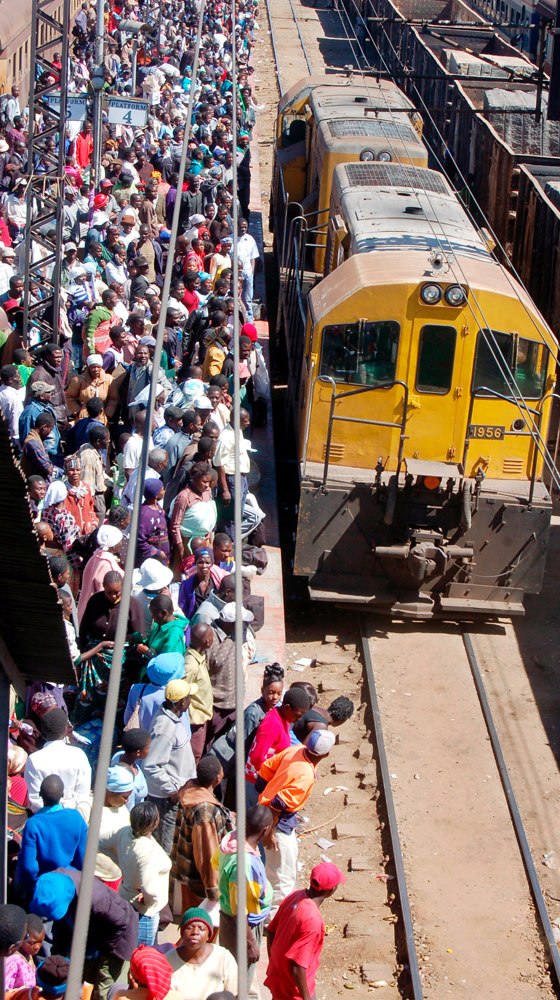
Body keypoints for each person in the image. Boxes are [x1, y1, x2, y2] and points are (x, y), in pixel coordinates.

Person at [257, 730, 336, 915]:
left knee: (280, 869)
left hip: (267, 814)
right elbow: (278, 804)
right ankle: (273, 920)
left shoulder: (296, 750)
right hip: (277, 823)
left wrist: (264, 795)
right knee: (282, 877)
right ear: (326, 754)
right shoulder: (306, 774)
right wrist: (269, 831)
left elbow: (266, 769)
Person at [29, 868, 138, 1000]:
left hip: (115, 941)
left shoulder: (96, 898)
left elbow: (122, 922)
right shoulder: (49, 883)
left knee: (103, 989)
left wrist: (103, 949)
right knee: (78, 975)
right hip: (86, 933)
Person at [265, 863, 347, 1000]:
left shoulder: (296, 896)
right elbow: (297, 967)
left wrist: (275, 964)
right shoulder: (312, 921)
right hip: (293, 992)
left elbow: (271, 932)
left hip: (279, 981)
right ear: (332, 890)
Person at [216, 804, 273, 988]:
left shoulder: (230, 840)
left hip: (227, 917)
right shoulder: (246, 864)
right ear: (265, 830)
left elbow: (215, 863)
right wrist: (250, 943)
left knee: (230, 967)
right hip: (242, 925)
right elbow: (240, 910)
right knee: (240, 979)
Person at [143, 679, 197, 854]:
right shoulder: (165, 729)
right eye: (189, 697)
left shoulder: (171, 719)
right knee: (164, 847)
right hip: (166, 799)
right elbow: (151, 766)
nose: (190, 701)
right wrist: (172, 789)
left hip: (173, 795)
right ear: (182, 702)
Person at [171, 755, 230, 914]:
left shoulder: (191, 791)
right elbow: (206, 852)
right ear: (218, 778)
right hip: (199, 884)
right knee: (199, 927)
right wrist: (213, 887)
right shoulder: (204, 811)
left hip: (187, 874)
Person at [211, 663, 284, 784]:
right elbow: (243, 745)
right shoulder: (253, 714)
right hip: (228, 756)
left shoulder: (272, 709)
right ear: (262, 691)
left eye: (279, 693)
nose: (275, 697)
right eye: (271, 692)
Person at [15, 774, 88, 894]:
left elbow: (28, 866)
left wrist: (28, 887)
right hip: (69, 883)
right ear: (63, 795)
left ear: (40, 795)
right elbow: (83, 859)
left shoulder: (34, 824)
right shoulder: (76, 818)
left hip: (42, 886)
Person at [117, 801, 172, 946]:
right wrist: (148, 901)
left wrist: (122, 864)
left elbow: (102, 844)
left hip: (126, 898)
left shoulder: (125, 833)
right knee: (142, 959)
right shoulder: (147, 852)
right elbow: (149, 889)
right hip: (145, 914)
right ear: (155, 823)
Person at [23, 707, 91, 813]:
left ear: (43, 731)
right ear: (65, 730)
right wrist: (66, 807)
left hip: (44, 823)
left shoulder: (34, 759)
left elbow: (35, 802)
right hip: (73, 819)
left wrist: (56, 809)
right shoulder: (79, 756)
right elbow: (83, 797)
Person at [245, 688, 311, 797]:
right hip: (257, 783)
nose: (299, 719)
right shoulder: (272, 725)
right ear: (287, 708)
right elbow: (257, 758)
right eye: (298, 714)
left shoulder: (283, 719)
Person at [77, 765, 133, 890]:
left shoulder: (123, 810)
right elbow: (77, 842)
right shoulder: (87, 807)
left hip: (117, 878)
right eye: (124, 796)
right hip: (92, 878)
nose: (126, 801)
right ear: (110, 791)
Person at [163, 908, 237, 997]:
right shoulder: (167, 961)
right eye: (189, 928)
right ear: (182, 933)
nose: (195, 932)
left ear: (209, 935)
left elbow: (234, 994)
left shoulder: (223, 957)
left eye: (201, 929)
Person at [213, 408, 251, 540]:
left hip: (241, 477)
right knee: (231, 517)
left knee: (238, 514)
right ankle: (231, 545)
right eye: (245, 421)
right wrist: (225, 490)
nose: (248, 423)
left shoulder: (238, 431)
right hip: (231, 479)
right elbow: (219, 465)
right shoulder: (226, 438)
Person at [182, 624, 214, 762]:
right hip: (195, 721)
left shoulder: (198, 657)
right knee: (193, 757)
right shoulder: (191, 665)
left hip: (201, 719)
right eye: (212, 636)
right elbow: (182, 691)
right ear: (206, 642)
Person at [77, 527, 124, 620]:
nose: (121, 543)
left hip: (85, 609)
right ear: (113, 545)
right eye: (119, 541)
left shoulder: (96, 557)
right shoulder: (107, 565)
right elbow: (105, 594)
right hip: (98, 616)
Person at [136, 594, 189, 660]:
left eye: (154, 614)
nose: (152, 617)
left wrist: (147, 651)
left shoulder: (174, 633)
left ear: (164, 613)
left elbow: (167, 663)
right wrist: (137, 637)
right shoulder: (160, 626)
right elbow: (150, 641)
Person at [111, 729, 151, 811]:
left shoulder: (118, 756)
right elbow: (130, 810)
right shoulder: (130, 783)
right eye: (148, 747)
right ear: (138, 753)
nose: (150, 750)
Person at [3, 912, 45, 990]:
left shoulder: (28, 954)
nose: (37, 946)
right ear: (21, 938)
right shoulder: (13, 961)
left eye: (41, 941)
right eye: (32, 943)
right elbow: (4, 991)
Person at [136, 479, 170, 567]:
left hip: (162, 558)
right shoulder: (145, 515)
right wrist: (157, 552)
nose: (164, 491)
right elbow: (140, 540)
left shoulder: (158, 507)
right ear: (155, 494)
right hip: (152, 561)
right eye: (162, 489)